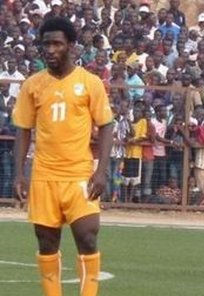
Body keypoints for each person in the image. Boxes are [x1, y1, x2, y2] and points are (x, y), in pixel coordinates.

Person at [13, 17, 113, 296]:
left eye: (57, 43)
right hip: (44, 174)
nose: (51, 49)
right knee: (46, 242)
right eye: (46, 44)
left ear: (71, 45)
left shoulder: (89, 82)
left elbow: (106, 125)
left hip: (79, 174)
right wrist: (20, 173)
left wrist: (101, 170)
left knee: (88, 236)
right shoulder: (32, 85)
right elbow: (22, 129)